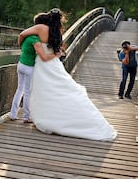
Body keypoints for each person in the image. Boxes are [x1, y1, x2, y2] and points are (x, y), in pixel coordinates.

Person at [20, 8, 117, 141]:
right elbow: (59, 48)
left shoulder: (40, 28)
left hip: (42, 64)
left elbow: (22, 34)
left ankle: (47, 117)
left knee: (44, 92)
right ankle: (83, 120)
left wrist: (23, 46)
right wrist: (56, 53)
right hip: (54, 63)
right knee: (63, 89)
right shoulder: (57, 31)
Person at [9, 13, 60, 123]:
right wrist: (56, 55)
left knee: (19, 89)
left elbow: (21, 41)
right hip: (29, 67)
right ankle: (26, 117)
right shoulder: (35, 41)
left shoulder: (27, 38)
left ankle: (13, 114)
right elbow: (44, 57)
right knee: (28, 92)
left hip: (20, 64)